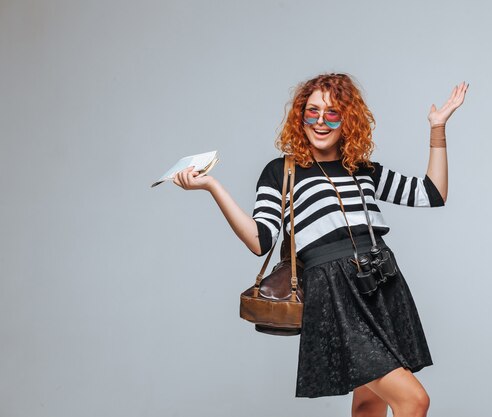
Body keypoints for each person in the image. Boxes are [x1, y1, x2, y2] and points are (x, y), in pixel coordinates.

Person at [174, 73, 468, 417]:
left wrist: (437, 128)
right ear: (300, 117)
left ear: (349, 119)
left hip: (382, 286)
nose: (321, 122)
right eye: (312, 112)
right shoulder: (281, 172)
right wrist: (212, 186)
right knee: (413, 400)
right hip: (335, 295)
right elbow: (260, 240)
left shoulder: (362, 169)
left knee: (370, 404)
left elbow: (432, 193)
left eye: (332, 113)